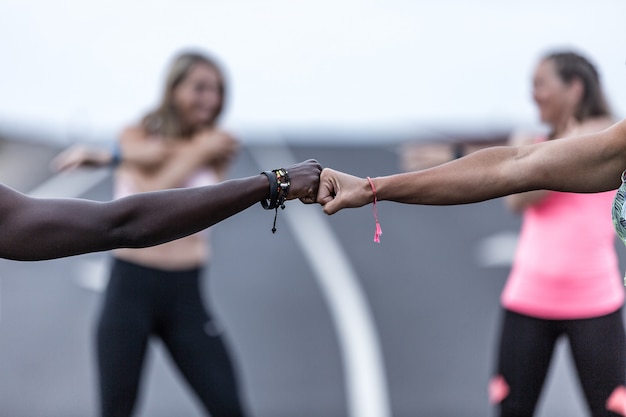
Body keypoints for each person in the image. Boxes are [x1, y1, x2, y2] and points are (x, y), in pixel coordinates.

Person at [317, 76, 626, 417]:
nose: (532, 94)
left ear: (575, 87)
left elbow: (522, 166)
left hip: (595, 299)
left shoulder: (595, 135)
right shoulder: (607, 143)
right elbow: (516, 168)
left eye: (542, 83)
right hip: (531, 295)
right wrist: (372, 187)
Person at [52, 51, 315, 417]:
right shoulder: (135, 134)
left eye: (219, 90)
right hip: (129, 290)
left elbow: (164, 175)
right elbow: (151, 197)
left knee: (230, 408)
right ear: (174, 89)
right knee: (116, 410)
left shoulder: (219, 143)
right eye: (200, 88)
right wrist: (128, 154)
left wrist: (114, 156)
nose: (212, 99)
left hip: (186, 295)